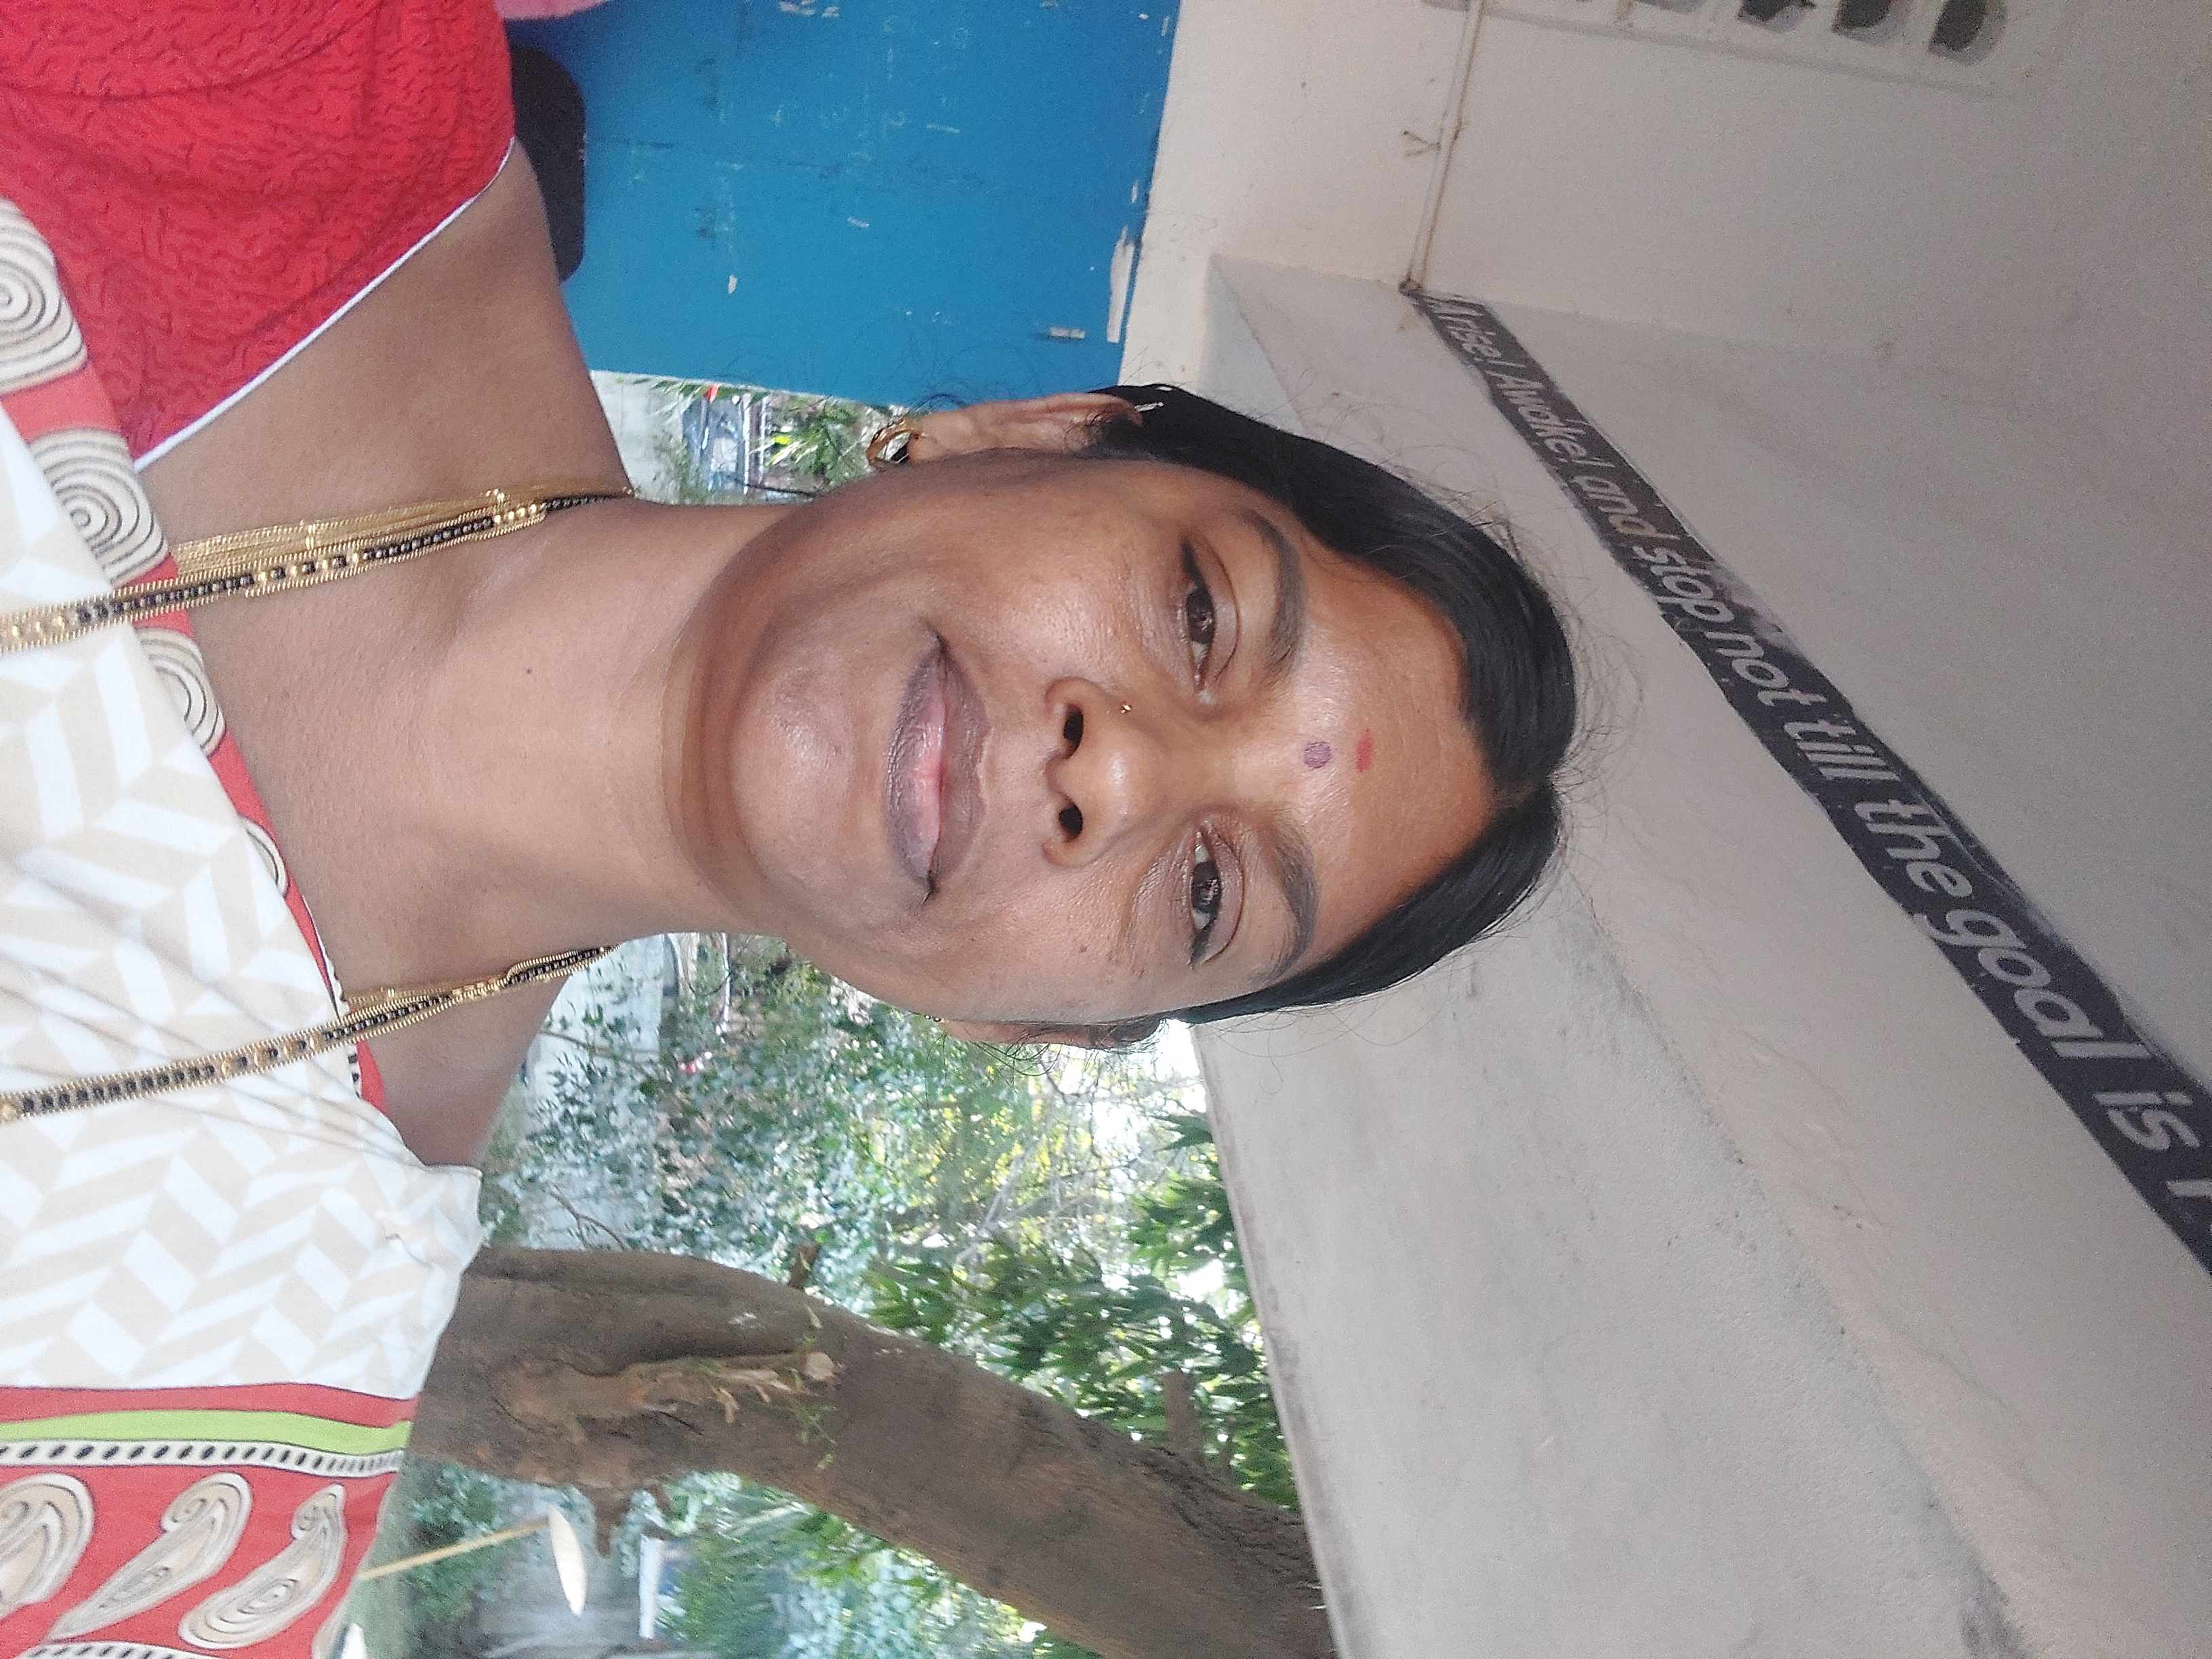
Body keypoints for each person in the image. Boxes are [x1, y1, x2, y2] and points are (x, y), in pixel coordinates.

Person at [0, 2, 1574, 1653]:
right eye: (1200, 613)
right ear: (1033, 434)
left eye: (1204, 893)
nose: (1113, 777)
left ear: (1021, 1022)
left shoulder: (224, 1435)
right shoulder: (288, 66)